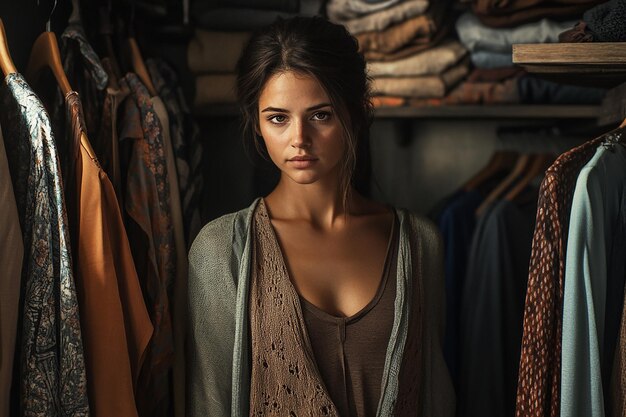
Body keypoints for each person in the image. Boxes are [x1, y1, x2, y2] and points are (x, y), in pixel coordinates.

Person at [187, 16, 454, 417]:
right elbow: (212, 403)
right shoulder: (221, 250)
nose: (299, 138)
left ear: (355, 113)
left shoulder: (419, 243)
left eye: (321, 115)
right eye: (278, 118)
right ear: (257, 124)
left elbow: (435, 398)